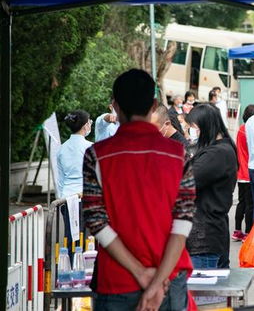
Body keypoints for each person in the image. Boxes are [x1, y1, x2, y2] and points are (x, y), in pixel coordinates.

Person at [82, 69, 195, 311]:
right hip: (170, 280)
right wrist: (157, 281)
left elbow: (96, 222)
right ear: (154, 105)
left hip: (116, 281)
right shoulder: (179, 154)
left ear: (115, 105)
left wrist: (141, 274)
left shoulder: (96, 156)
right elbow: (183, 223)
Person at [185, 104, 237, 269]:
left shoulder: (217, 153)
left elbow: (186, 181)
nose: (192, 132)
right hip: (208, 232)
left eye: (194, 128)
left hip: (205, 237)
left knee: (203, 292)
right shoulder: (219, 149)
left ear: (205, 126)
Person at [57, 110, 93, 256]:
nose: (91, 124)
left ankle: (70, 270)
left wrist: (60, 199)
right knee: (86, 239)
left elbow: (60, 179)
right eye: (89, 122)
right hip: (84, 197)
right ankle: (83, 272)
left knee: (70, 238)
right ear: (85, 126)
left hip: (66, 198)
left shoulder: (61, 149)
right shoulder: (90, 147)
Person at [232, 104, 254, 242]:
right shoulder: (251, 130)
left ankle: (237, 230)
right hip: (249, 171)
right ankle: (248, 232)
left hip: (240, 172)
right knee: (250, 204)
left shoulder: (241, 129)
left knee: (241, 202)